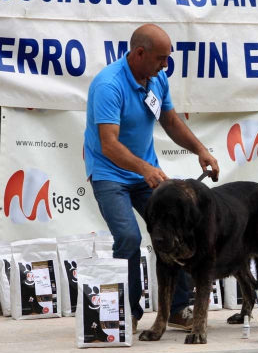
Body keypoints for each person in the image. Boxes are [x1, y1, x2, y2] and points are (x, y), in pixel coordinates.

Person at [83, 24, 220, 335]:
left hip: (146, 171)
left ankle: (176, 309)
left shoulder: (157, 78)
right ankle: (126, 313)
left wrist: (200, 149)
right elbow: (109, 144)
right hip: (110, 173)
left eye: (167, 59)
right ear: (139, 53)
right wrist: (144, 169)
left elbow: (169, 120)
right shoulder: (109, 85)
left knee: (179, 229)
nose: (165, 65)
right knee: (129, 238)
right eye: (161, 58)